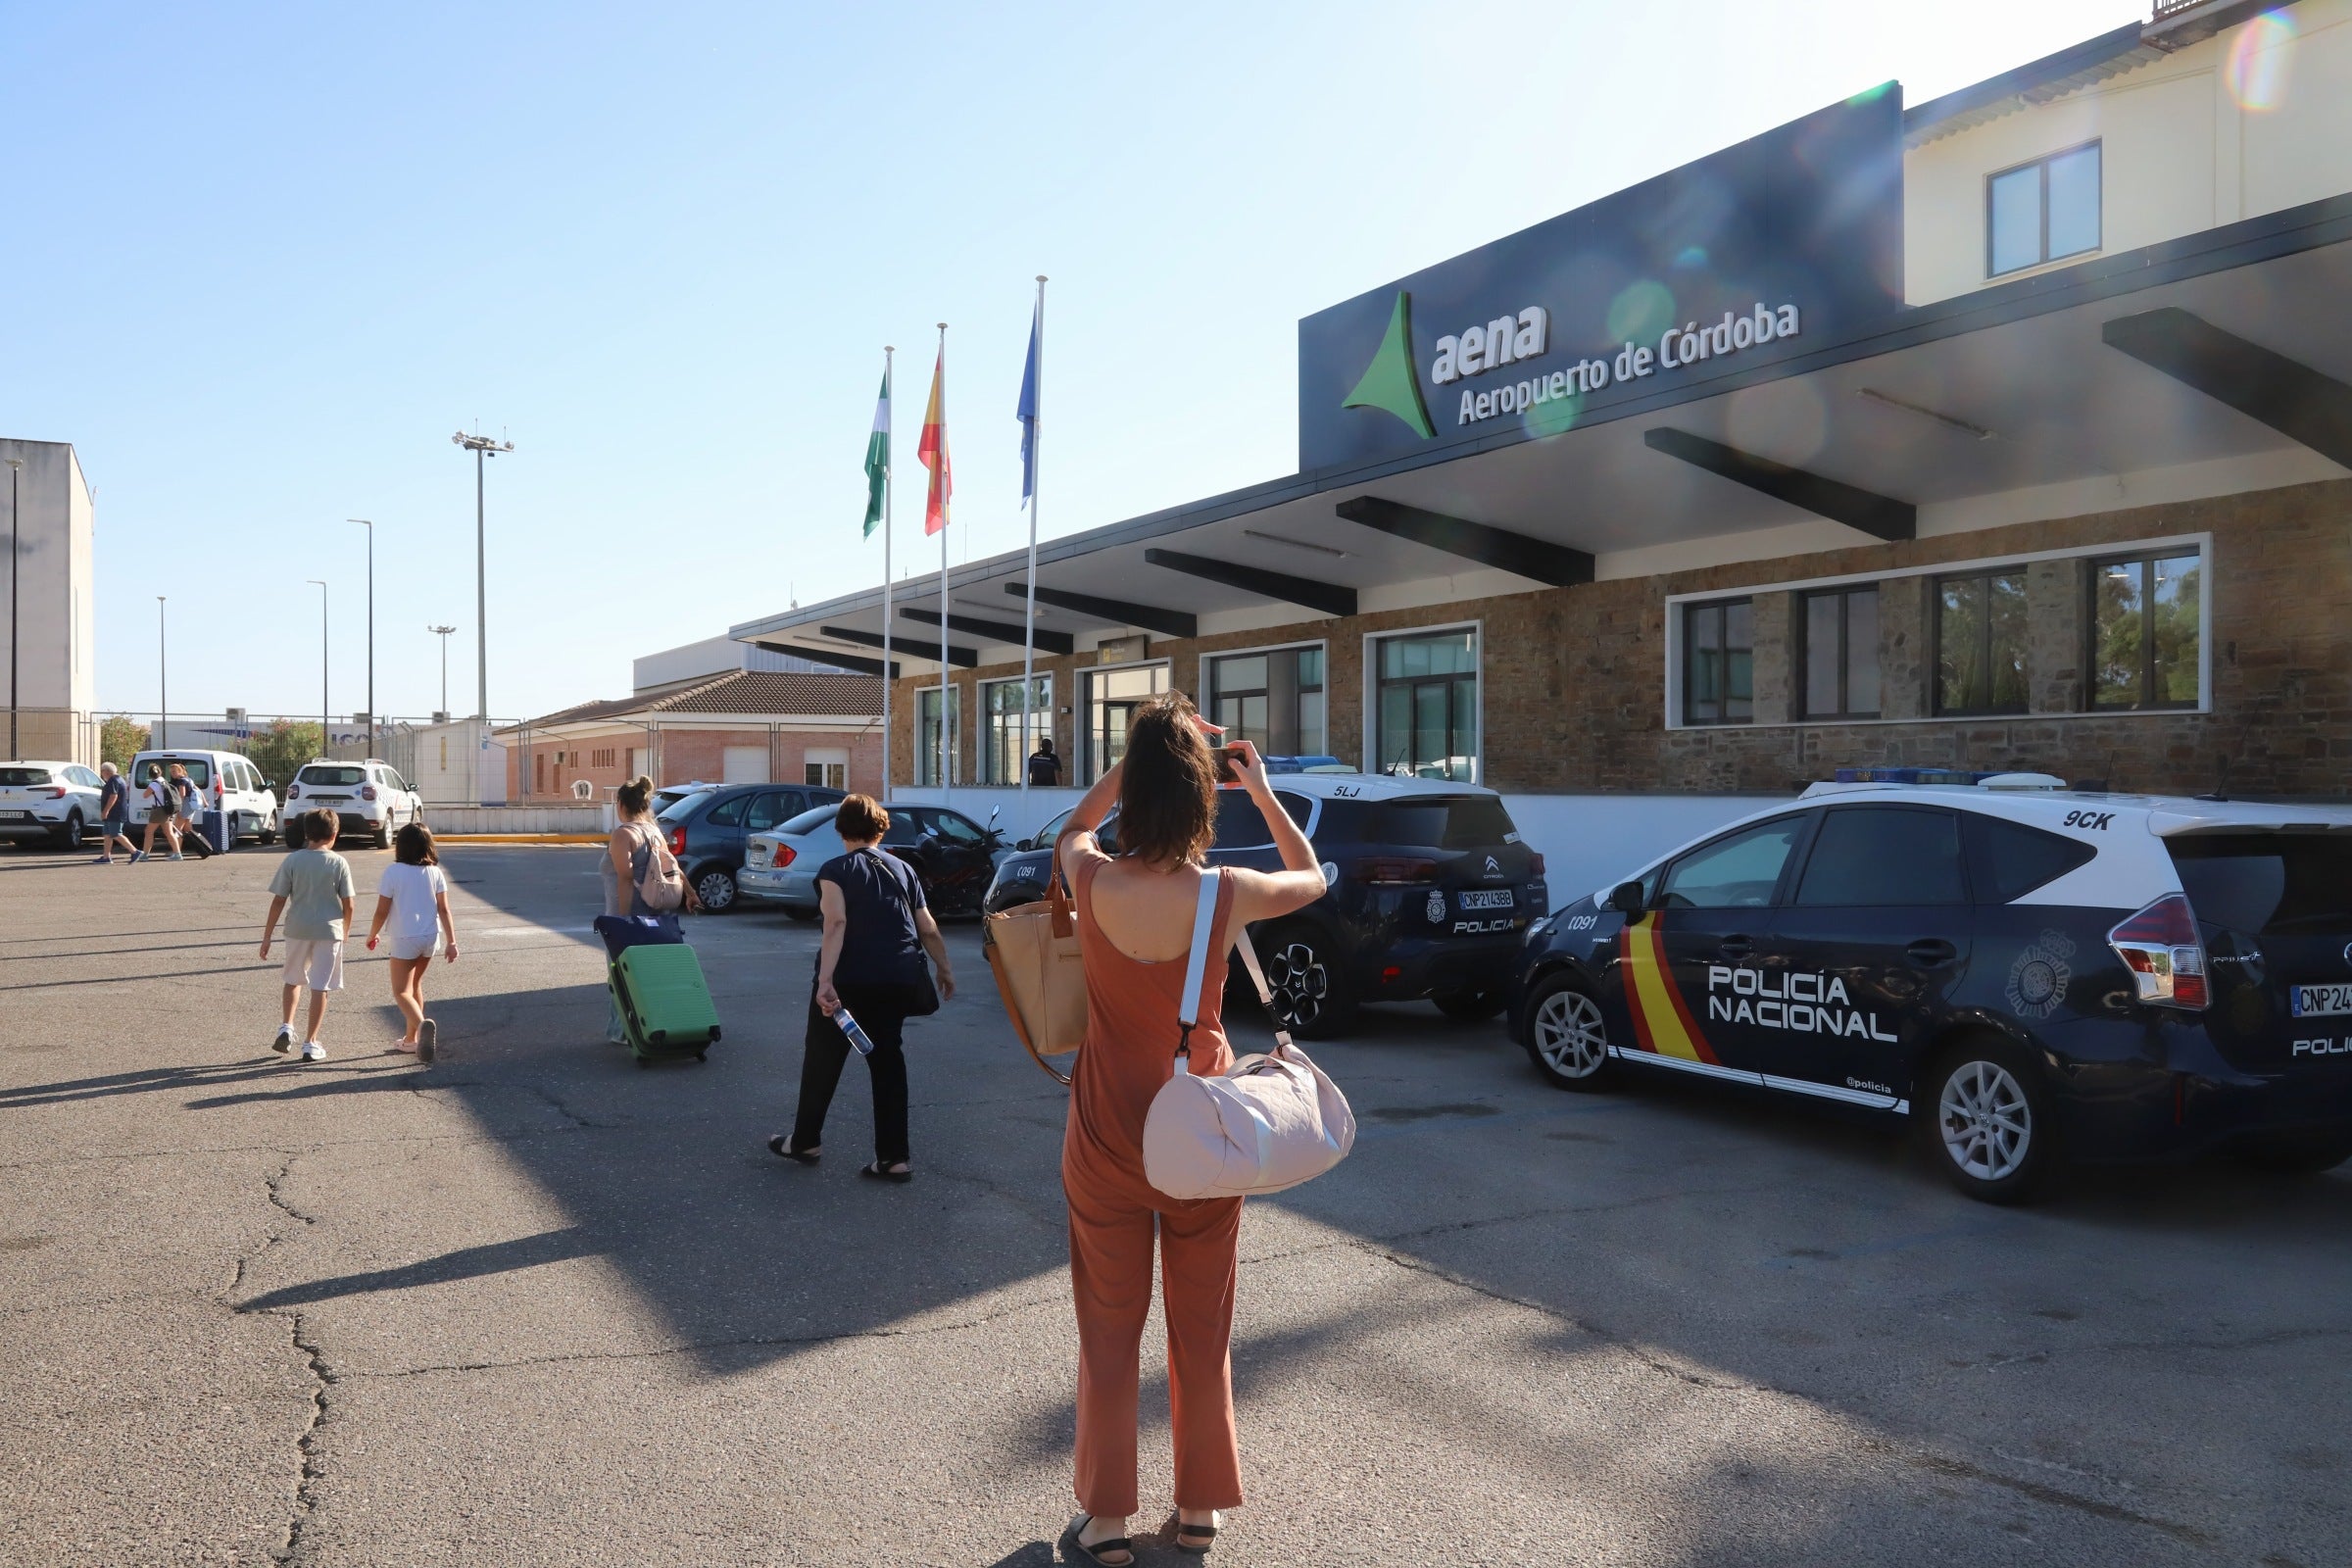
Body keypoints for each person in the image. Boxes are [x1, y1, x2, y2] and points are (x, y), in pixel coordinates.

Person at [1054, 694, 1325, 1566]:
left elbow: (1074, 823)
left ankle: (1103, 1522)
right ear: (1203, 795)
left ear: (1137, 791)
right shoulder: (1226, 893)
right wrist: (1265, 792)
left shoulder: (1089, 877)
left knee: (1107, 1327)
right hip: (1200, 1139)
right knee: (1202, 1326)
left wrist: (1128, 769)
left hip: (1104, 1135)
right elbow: (1315, 875)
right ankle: (1201, 1505)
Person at [771, 795, 956, 1180]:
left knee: (823, 1058)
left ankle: (805, 1141)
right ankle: (894, 1158)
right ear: (881, 828)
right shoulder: (903, 869)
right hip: (897, 978)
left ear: (841, 830)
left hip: (849, 983)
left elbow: (835, 924)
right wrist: (945, 968)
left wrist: (825, 981)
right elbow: (927, 926)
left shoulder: (834, 871)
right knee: (888, 1063)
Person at [601, 774, 698, 1042]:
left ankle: (623, 1033)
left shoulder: (623, 834)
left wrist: (622, 921)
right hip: (658, 920)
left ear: (620, 804)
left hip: (632, 919)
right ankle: (654, 1026)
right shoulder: (654, 832)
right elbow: (674, 867)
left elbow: (625, 877)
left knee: (622, 979)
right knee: (651, 980)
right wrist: (689, 893)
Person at [259, 808, 357, 1062]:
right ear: (335, 834)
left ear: (305, 833)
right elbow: (349, 902)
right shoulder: (338, 862)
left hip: (297, 929)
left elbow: (279, 900)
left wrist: (267, 936)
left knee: (293, 980)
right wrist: (345, 930)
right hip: (329, 930)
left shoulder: (293, 860)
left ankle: (286, 1026)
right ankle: (310, 1043)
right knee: (320, 987)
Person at [364, 823, 458, 1062]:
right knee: (415, 986)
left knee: (401, 991)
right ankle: (410, 1040)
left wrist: (372, 933)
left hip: (405, 936)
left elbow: (382, 910)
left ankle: (422, 1025)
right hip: (430, 937)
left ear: (401, 846)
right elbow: (444, 910)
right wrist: (452, 942)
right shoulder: (435, 872)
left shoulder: (393, 872)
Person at [93, 761, 137, 864]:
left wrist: (106, 811)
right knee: (107, 834)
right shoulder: (119, 779)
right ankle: (106, 857)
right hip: (115, 812)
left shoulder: (113, 781)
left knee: (116, 834)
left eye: (102, 771)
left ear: (107, 771)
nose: (102, 774)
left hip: (114, 813)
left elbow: (113, 796)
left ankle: (134, 851)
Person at [169, 762, 213, 858]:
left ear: (180, 771)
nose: (172, 773)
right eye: (171, 772)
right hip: (191, 807)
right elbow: (198, 790)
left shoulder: (181, 781)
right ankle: (203, 848)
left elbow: (182, 795)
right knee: (188, 830)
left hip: (184, 805)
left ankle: (177, 853)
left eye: (174, 771)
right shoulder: (189, 779)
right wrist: (205, 802)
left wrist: (178, 809)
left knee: (178, 830)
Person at [138, 764, 180, 861]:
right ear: (160, 772)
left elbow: (145, 795)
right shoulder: (163, 781)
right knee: (169, 832)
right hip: (167, 809)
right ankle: (177, 853)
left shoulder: (154, 784)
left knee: (149, 831)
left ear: (150, 774)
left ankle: (145, 855)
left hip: (158, 811)